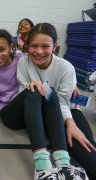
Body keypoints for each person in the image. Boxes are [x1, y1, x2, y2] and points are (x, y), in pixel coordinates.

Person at [0, 29, 89, 180]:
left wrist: (72, 85)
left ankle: (63, 164)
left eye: (2, 49)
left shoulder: (22, 58)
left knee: (45, 89)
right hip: (10, 112)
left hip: (33, 110)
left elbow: (46, 65)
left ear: (11, 47)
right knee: (33, 90)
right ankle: (42, 168)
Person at [17, 23, 96, 179]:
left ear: (55, 46)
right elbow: (24, 95)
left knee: (86, 147)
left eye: (45, 46)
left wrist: (70, 122)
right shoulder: (23, 63)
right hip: (40, 114)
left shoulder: (66, 68)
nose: (39, 51)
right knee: (68, 151)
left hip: (67, 110)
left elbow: (62, 101)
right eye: (34, 46)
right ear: (27, 45)